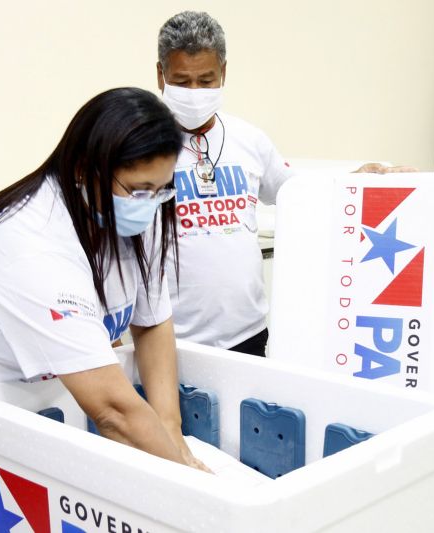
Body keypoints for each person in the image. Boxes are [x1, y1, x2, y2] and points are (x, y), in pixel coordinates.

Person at [0, 87, 207, 532]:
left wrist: (173, 434)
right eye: (139, 189)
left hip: (19, 384)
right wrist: (199, 497)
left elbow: (152, 323)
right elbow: (113, 410)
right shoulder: (28, 247)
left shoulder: (137, 212)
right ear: (87, 170)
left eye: (162, 190)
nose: (151, 203)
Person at [156, 11, 414, 357]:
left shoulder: (248, 139)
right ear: (161, 75)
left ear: (224, 73)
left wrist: (354, 180)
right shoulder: (139, 147)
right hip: (171, 339)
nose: (195, 92)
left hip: (248, 330)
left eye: (206, 80)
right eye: (182, 81)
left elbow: (296, 193)